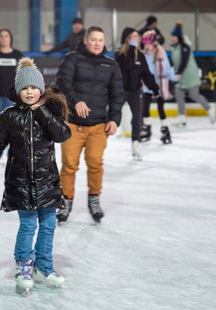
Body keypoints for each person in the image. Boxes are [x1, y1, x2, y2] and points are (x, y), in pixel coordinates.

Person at [0, 57, 71, 296]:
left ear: (41, 90)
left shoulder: (49, 111)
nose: (29, 92)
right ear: (18, 90)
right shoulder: (9, 116)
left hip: (47, 181)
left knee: (49, 224)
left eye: (33, 88)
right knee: (28, 225)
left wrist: (42, 111)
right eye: (25, 88)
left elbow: (63, 134)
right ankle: (23, 266)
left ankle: (44, 265)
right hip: (20, 182)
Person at [56, 26, 124, 224]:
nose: (97, 43)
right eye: (93, 39)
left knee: (95, 164)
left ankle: (94, 200)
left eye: (100, 40)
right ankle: (65, 201)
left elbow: (117, 95)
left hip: (98, 126)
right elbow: (63, 82)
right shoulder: (72, 58)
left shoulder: (110, 65)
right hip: (72, 124)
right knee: (69, 166)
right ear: (85, 40)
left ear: (104, 43)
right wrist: (76, 100)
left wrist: (114, 119)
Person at [115, 27, 159, 160]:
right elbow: (126, 67)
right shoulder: (119, 55)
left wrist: (154, 87)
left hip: (135, 91)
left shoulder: (140, 55)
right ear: (127, 39)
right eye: (133, 37)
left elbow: (145, 73)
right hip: (121, 90)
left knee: (137, 119)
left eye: (137, 37)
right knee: (113, 116)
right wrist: (130, 51)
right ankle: (101, 140)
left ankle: (135, 143)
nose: (136, 39)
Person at [170, 22, 215, 126]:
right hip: (181, 76)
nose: (172, 38)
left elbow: (184, 60)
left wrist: (179, 72)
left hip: (189, 76)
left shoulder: (184, 46)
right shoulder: (174, 47)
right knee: (178, 93)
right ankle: (182, 117)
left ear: (178, 37)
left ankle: (209, 110)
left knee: (194, 95)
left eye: (174, 36)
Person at [141, 30, 177, 144]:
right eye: (145, 44)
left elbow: (166, 69)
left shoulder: (161, 53)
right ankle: (146, 129)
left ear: (154, 42)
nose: (147, 46)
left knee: (160, 109)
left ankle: (165, 131)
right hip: (147, 86)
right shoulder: (144, 54)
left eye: (148, 43)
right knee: (144, 109)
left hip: (159, 86)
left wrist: (173, 78)